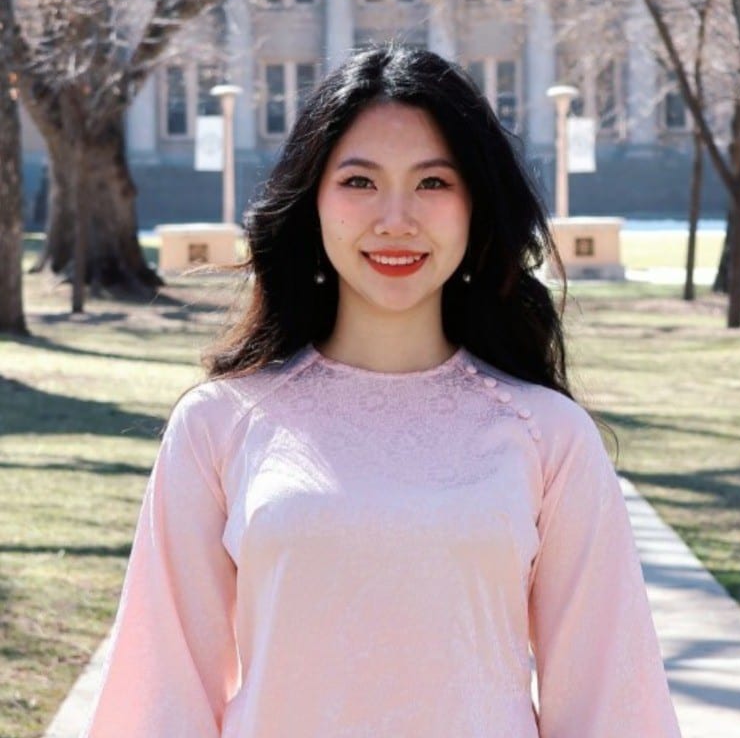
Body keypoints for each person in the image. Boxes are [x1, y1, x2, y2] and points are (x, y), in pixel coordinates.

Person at [83, 44, 681, 738]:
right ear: (312, 203)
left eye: (433, 183)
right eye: (360, 182)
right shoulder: (220, 425)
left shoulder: (548, 436)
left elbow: (612, 705)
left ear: (475, 209)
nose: (395, 219)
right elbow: (161, 695)